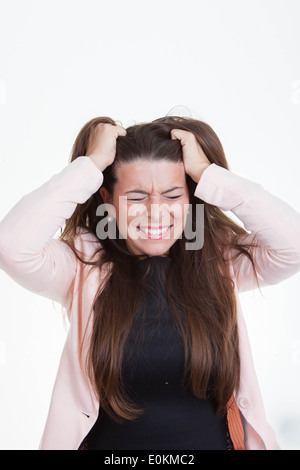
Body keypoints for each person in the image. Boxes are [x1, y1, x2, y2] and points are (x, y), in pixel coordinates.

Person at [0, 115, 299, 451]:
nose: (156, 213)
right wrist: (91, 164)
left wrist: (208, 174)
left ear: (191, 198)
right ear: (108, 201)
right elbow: (12, 247)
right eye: (137, 197)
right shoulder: (80, 265)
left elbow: (293, 244)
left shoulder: (219, 260)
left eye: (173, 196)